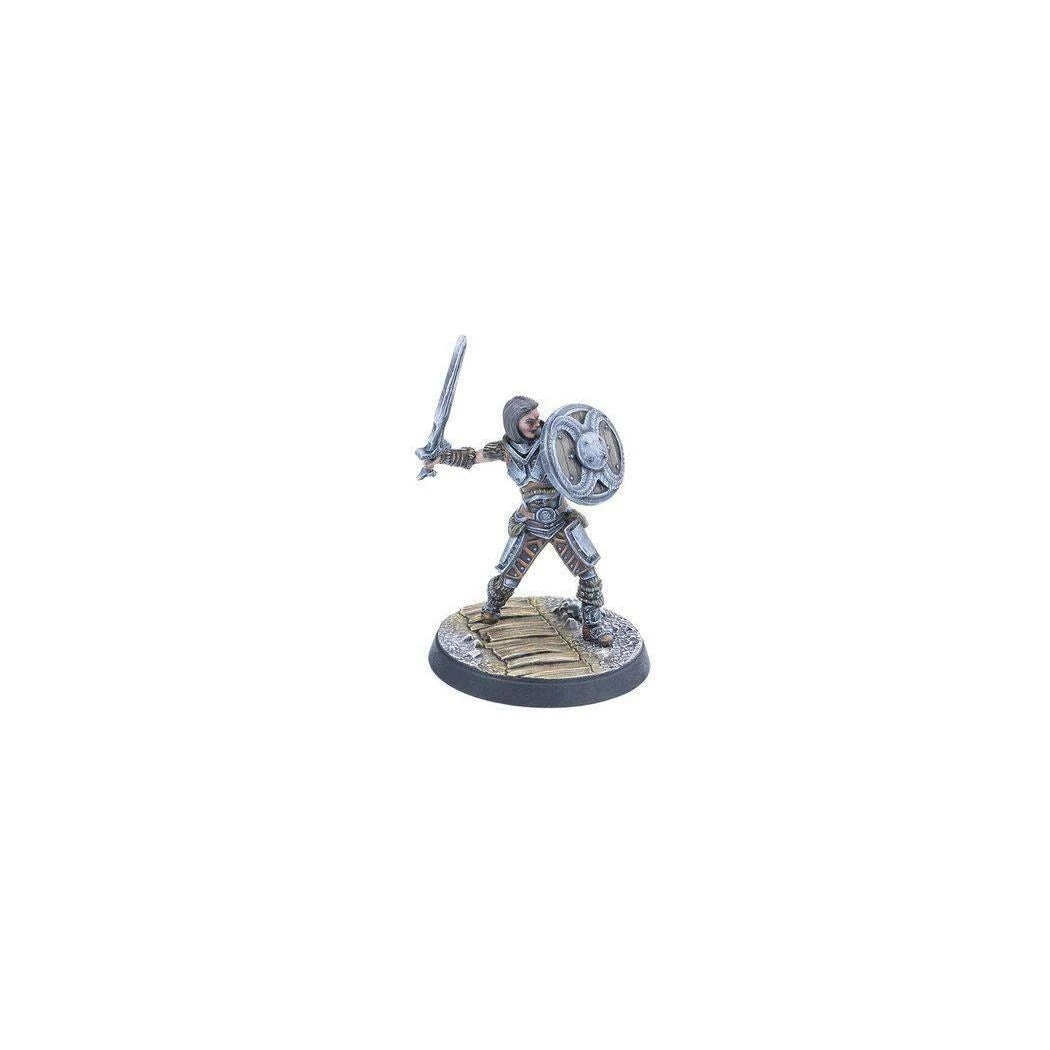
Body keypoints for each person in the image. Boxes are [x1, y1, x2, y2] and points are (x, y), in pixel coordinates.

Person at [426, 395, 613, 646]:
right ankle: (493, 607)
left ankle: (593, 625)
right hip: (529, 520)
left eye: (537, 418)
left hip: (561, 519)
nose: (537, 424)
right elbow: (473, 457)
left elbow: (587, 453)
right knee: (509, 574)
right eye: (529, 421)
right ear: (514, 424)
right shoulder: (504, 449)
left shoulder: (554, 439)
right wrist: (441, 457)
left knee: (588, 573)